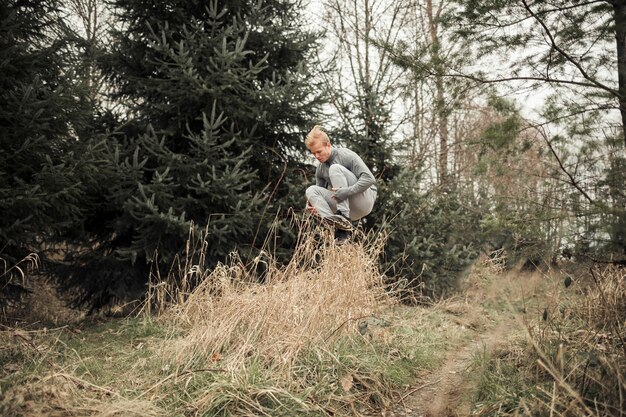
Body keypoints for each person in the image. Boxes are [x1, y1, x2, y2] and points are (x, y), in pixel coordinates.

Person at [304, 125, 377, 244]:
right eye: (313, 153)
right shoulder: (320, 169)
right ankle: (338, 225)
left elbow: (369, 179)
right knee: (311, 190)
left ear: (328, 145)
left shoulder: (345, 155)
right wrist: (313, 205)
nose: (316, 156)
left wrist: (346, 191)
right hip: (348, 207)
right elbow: (319, 194)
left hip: (365, 201)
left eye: (319, 151)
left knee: (335, 168)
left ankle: (343, 217)